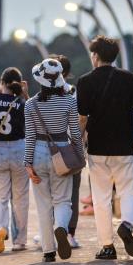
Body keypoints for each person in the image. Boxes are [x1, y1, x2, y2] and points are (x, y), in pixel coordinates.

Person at [77, 36, 133, 260]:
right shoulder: (128, 79)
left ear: (96, 56)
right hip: (125, 148)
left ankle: (107, 247)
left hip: (97, 150)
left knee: (101, 199)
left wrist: (78, 143)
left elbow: (82, 119)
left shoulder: (85, 81)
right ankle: (127, 225)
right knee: (129, 192)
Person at [24, 58, 83, 262]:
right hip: (62, 153)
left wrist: (28, 164)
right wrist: (79, 157)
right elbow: (75, 133)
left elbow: (29, 136)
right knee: (63, 200)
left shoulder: (30, 104)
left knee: (43, 204)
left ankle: (48, 251)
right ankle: (61, 227)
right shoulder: (69, 101)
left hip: (38, 153)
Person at [0, 67, 30, 254]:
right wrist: (24, 95)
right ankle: (19, 241)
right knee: (20, 198)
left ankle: (0, 228)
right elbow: (30, 120)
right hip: (19, 149)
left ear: (1, 83)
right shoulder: (22, 103)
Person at [49, 53, 81, 248]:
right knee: (72, 194)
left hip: (48, 148)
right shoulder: (74, 92)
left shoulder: (42, 94)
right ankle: (70, 234)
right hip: (70, 148)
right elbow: (81, 120)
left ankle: (50, 232)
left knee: (49, 193)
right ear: (68, 73)